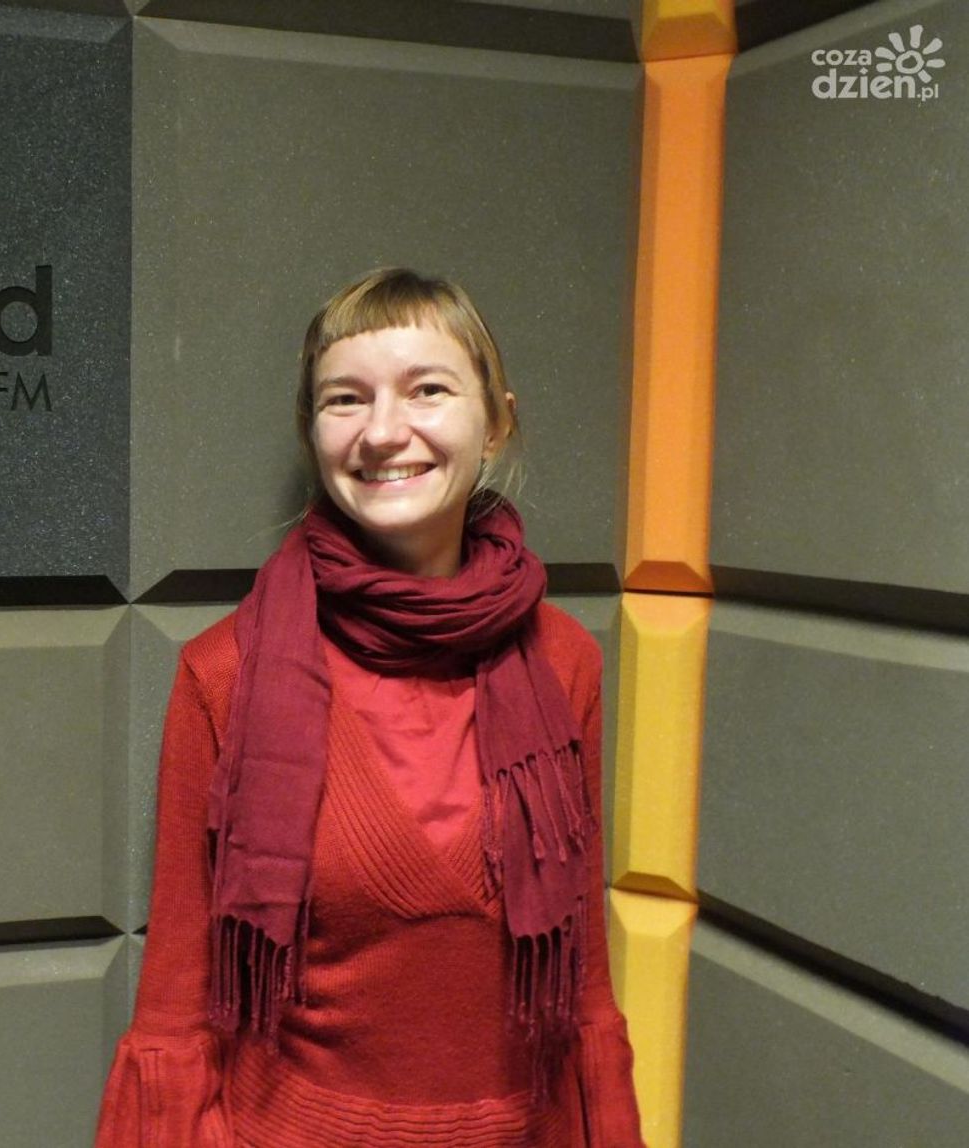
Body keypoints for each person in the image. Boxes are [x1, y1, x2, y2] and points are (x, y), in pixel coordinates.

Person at [96, 269, 644, 1147]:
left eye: (428, 390)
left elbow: (578, 985)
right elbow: (176, 1007)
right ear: (313, 432)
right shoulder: (224, 674)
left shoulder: (564, 663)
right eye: (345, 399)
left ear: (496, 422)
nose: (384, 431)